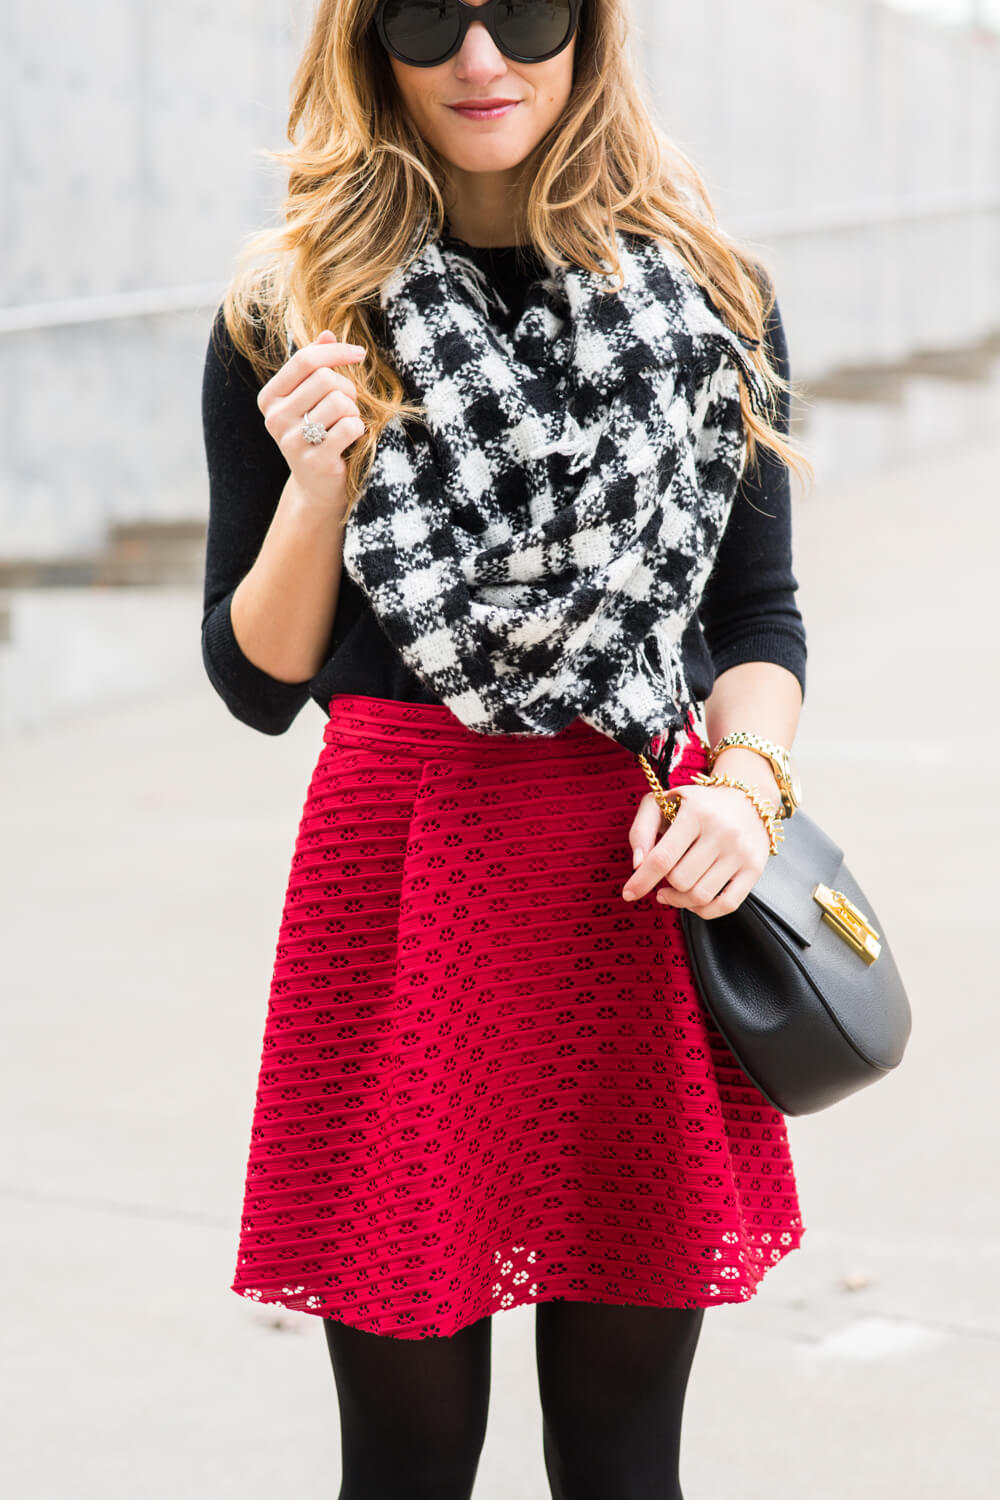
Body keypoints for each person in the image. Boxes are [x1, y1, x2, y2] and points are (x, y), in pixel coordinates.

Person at [201, 2, 816, 1496]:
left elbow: (758, 619)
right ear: (371, 46)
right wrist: (316, 484)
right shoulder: (296, 304)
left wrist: (749, 789)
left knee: (621, 1458)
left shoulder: (711, 300)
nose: (483, 59)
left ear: (591, 32)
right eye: (429, 17)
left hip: (635, 878)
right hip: (403, 883)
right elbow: (256, 677)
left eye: (525, 12)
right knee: (403, 1464)